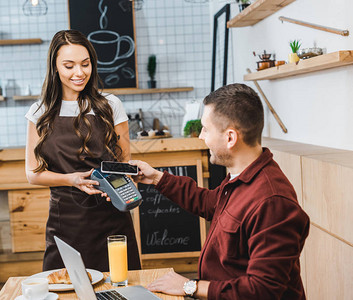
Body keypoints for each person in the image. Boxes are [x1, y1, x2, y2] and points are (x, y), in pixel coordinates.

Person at [130, 84, 310, 299]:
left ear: (230, 138)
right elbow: (209, 202)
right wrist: (157, 178)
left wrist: (190, 287)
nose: (201, 137)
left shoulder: (273, 203)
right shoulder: (241, 177)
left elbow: (263, 290)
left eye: (206, 129)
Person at [25, 29, 141, 272]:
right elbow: (33, 174)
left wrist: (129, 186)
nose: (79, 73)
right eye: (69, 66)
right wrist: (71, 179)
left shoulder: (110, 105)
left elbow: (125, 164)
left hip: (111, 218)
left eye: (85, 64)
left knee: (119, 288)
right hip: (65, 222)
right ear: (55, 67)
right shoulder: (40, 112)